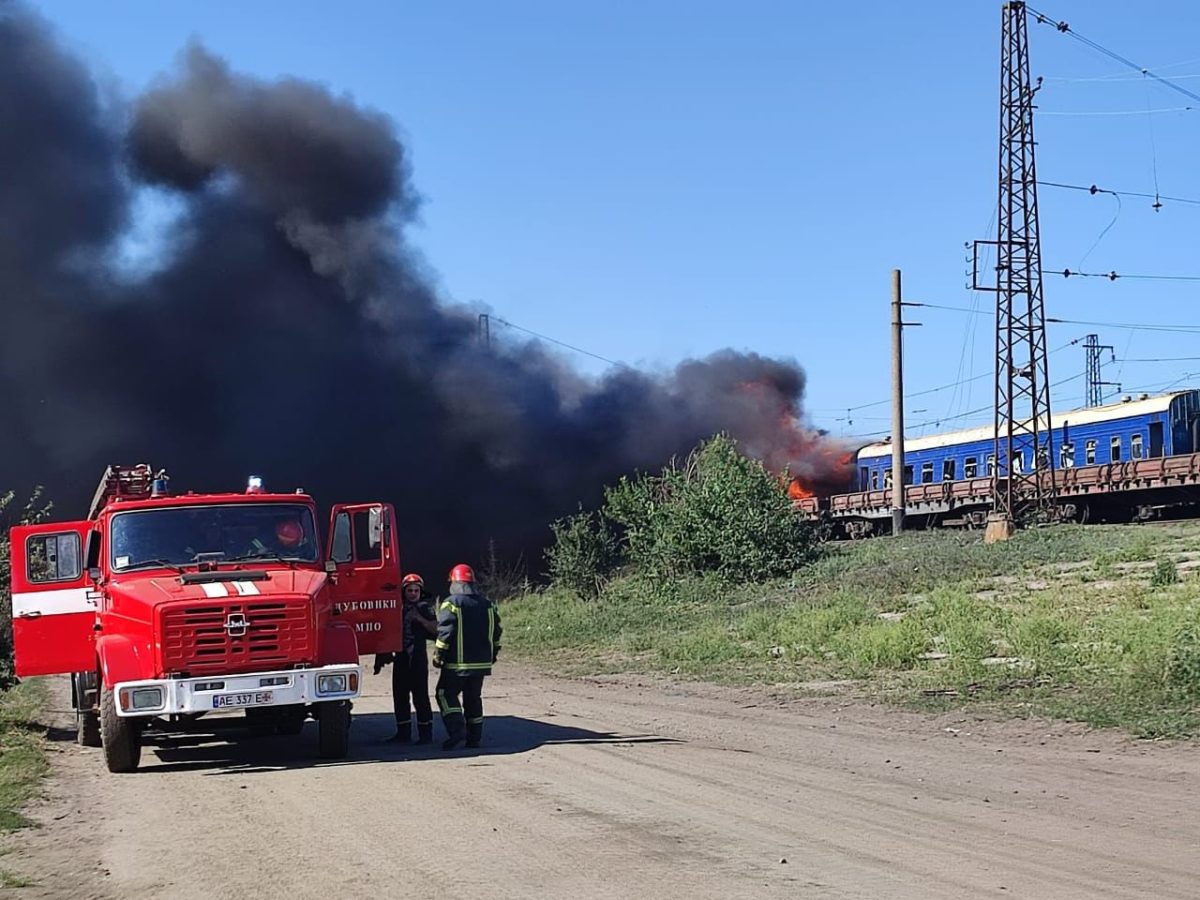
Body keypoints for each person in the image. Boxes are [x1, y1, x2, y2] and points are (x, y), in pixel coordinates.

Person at [432, 564, 502, 750]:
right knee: (473, 699)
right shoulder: (488, 604)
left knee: (445, 694)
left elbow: (445, 633)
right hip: (481, 664)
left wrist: (439, 655)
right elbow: (496, 632)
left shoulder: (451, 604)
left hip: (458, 664)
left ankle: (457, 730)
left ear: (454, 582)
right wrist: (493, 655)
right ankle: (474, 738)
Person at [375, 573, 438, 743]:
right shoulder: (397, 608)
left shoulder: (425, 608)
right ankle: (403, 733)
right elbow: (386, 633)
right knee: (400, 695)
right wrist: (381, 657)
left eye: (416, 590)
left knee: (420, 696)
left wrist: (420, 619)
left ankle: (426, 734)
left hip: (418, 658)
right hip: (400, 658)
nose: (413, 594)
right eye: (409, 590)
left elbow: (436, 630)